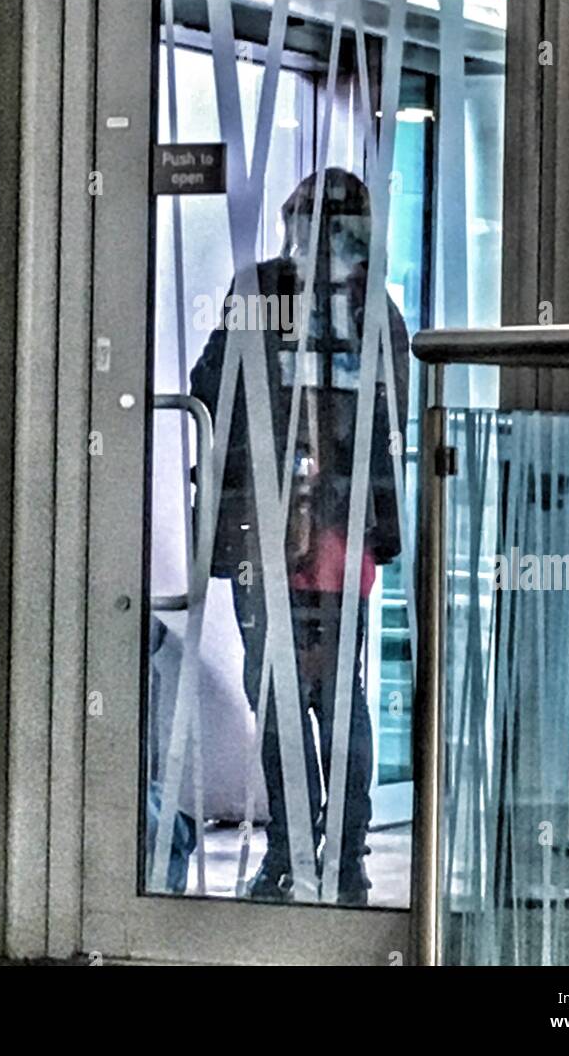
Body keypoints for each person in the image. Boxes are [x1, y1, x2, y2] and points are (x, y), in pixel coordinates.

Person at [190, 167, 409, 905]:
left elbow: (211, 386)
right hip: (337, 538)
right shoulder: (374, 308)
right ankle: (341, 859)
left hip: (270, 535)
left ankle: (291, 857)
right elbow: (393, 419)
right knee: (335, 698)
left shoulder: (262, 293)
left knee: (283, 696)